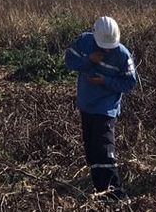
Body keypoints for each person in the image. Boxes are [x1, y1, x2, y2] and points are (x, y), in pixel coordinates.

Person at [64, 16, 138, 197]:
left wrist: (105, 81)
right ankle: (100, 189)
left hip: (106, 108)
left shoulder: (122, 54)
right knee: (92, 151)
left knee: (104, 149)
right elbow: (70, 62)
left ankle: (115, 193)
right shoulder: (84, 42)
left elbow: (129, 83)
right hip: (86, 105)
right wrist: (89, 60)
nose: (106, 49)